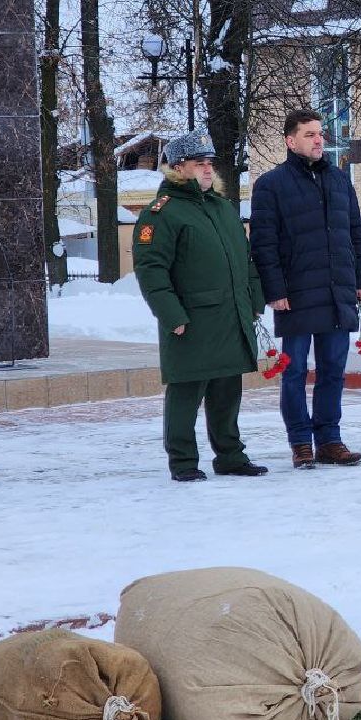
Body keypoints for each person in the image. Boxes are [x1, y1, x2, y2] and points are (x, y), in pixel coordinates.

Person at [132, 130, 269, 482]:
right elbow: (151, 270)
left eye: (210, 163)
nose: (208, 169)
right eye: (199, 163)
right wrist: (171, 315)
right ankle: (183, 462)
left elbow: (245, 259)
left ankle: (230, 456)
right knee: (186, 393)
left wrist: (254, 300)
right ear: (179, 167)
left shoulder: (223, 208)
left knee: (227, 392)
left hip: (230, 316)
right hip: (191, 321)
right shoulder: (162, 214)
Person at [250, 109, 361, 469]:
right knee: (295, 371)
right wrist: (274, 290)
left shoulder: (339, 180)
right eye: (309, 134)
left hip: (337, 292)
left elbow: (356, 235)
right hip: (296, 295)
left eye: (320, 133)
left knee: (333, 369)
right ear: (291, 141)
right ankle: (301, 442)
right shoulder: (271, 184)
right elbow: (263, 244)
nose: (319, 140)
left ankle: (330, 440)